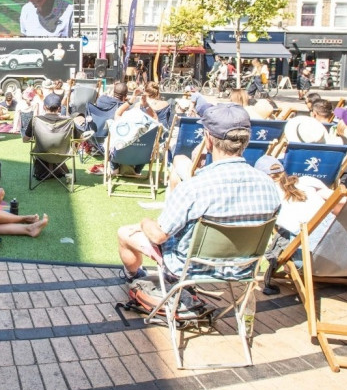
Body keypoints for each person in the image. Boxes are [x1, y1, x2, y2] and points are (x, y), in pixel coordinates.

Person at [117, 103, 281, 283]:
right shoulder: (269, 185)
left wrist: (144, 222)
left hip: (188, 269)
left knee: (125, 233)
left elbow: (158, 236)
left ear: (208, 139)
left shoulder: (194, 187)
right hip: (242, 269)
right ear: (246, 140)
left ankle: (134, 277)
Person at [253, 155, 336, 295]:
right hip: (342, 254)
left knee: (286, 238)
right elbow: (341, 200)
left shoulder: (267, 196)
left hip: (309, 260)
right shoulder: (307, 182)